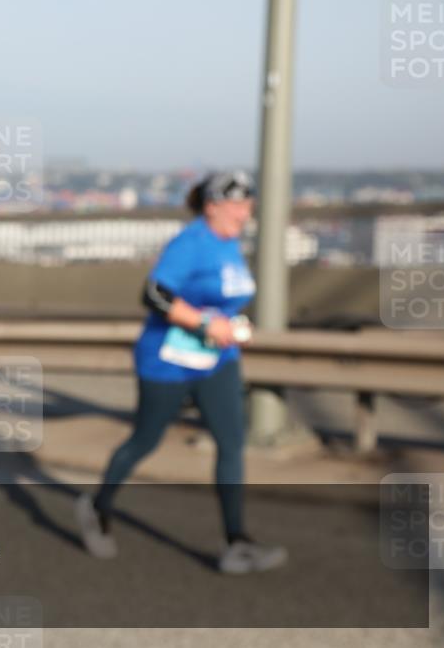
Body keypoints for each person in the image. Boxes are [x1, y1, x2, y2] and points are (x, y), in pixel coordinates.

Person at [75, 171, 287, 574]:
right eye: (237, 206)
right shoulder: (191, 243)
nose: (245, 214)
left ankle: (236, 542)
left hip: (216, 361)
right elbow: (153, 294)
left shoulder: (230, 245)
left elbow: (220, 299)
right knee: (145, 440)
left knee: (231, 443)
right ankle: (98, 507)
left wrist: (232, 327)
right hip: (167, 360)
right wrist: (206, 324)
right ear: (212, 206)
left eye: (248, 205)